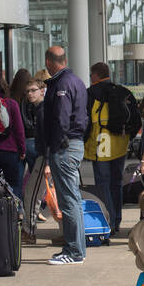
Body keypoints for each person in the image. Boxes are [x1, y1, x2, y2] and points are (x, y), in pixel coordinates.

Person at [42, 46, 89, 265]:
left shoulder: (60, 84)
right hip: (75, 143)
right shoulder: (76, 81)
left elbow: (61, 118)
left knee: (69, 200)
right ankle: (76, 249)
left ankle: (74, 251)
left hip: (65, 146)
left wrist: (55, 146)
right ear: (65, 59)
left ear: (49, 62)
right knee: (73, 200)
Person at [85, 61, 140, 236]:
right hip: (120, 142)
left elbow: (84, 120)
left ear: (95, 75)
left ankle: (107, 220)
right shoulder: (122, 91)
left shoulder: (91, 93)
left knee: (103, 184)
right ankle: (117, 221)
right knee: (116, 183)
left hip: (101, 142)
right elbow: (136, 119)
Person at [0, 75, 26, 199]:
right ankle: (16, 213)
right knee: (14, 184)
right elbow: (19, 130)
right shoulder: (12, 104)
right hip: (10, 151)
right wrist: (22, 150)